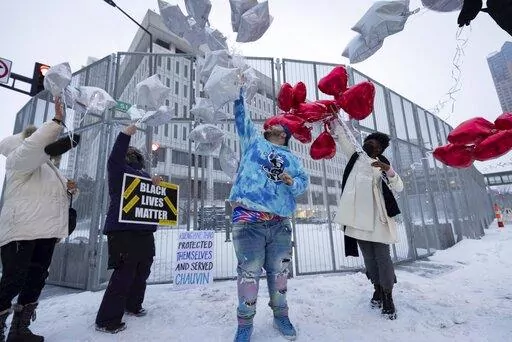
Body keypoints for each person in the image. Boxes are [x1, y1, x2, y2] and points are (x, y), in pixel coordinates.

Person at [228, 92, 309, 341]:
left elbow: (303, 183)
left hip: (279, 224)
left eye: (278, 125)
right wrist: (239, 91)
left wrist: (292, 180)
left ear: (284, 133)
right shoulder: (253, 142)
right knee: (249, 273)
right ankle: (244, 323)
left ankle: (281, 315)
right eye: (271, 124)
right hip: (248, 221)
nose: (272, 124)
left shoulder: (292, 159)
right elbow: (242, 117)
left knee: (280, 274)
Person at [0, 98, 79, 342]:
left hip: (46, 232)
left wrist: (71, 190)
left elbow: (57, 194)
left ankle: (19, 329)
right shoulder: (19, 160)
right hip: (22, 231)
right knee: (14, 279)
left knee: (35, 279)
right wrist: (56, 121)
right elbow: (35, 148)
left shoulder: (50, 169)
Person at [332, 121, 403, 320]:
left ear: (381, 149)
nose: (371, 145)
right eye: (368, 141)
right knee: (370, 259)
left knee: (383, 258)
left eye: (375, 144)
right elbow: (344, 140)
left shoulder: (383, 165)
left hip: (379, 221)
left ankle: (388, 296)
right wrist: (334, 121)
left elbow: (399, 187)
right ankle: (377, 289)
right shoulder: (356, 158)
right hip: (357, 221)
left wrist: (388, 170)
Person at [95, 124, 161, 334]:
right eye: (128, 153)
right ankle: (107, 319)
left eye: (135, 154)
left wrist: (155, 184)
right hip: (122, 231)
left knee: (143, 268)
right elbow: (115, 156)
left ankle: (132, 305)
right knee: (124, 272)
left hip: (144, 231)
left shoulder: (143, 175)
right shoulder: (118, 171)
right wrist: (125, 135)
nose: (131, 155)